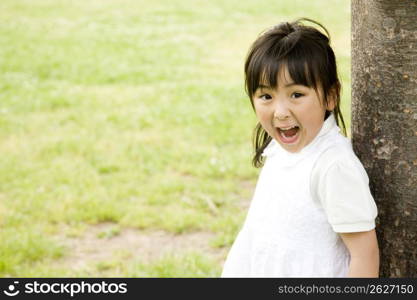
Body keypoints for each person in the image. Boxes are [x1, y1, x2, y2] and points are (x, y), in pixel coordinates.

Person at [221, 18, 379, 277]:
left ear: (330, 96)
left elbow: (365, 255)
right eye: (266, 96)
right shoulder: (280, 149)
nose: (280, 112)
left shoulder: (333, 166)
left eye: (296, 95)